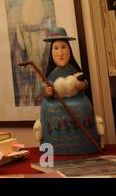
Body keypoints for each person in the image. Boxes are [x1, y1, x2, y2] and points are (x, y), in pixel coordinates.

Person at [37, 27, 100, 155]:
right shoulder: (51, 74)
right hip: (53, 110)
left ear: (69, 50)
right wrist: (47, 92)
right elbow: (43, 88)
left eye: (63, 47)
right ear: (51, 52)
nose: (60, 53)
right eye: (56, 48)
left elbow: (84, 82)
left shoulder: (74, 70)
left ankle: (85, 145)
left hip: (79, 106)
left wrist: (82, 86)